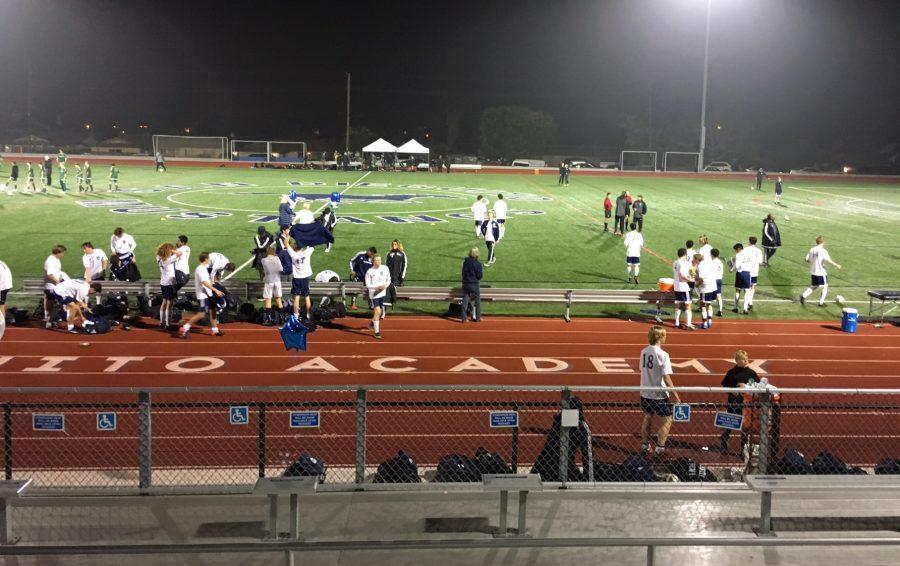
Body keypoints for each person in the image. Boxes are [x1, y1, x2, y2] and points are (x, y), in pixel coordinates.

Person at [639, 325, 681, 457]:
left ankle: (645, 445)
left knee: (647, 417)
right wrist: (675, 395)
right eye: (664, 335)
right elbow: (666, 377)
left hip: (645, 392)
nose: (666, 337)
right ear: (659, 337)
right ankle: (660, 447)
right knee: (668, 419)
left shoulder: (644, 351)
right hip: (659, 394)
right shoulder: (663, 355)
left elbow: (643, 369)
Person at [177, 252, 225, 338]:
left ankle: (215, 330)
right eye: (209, 258)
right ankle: (184, 328)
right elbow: (204, 282)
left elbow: (209, 281)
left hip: (208, 293)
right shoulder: (200, 269)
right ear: (206, 259)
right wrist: (216, 290)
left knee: (213, 310)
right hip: (203, 295)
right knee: (201, 314)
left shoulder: (204, 268)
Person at [719, 350, 756, 453]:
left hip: (746, 404)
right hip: (734, 402)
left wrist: (749, 388)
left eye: (747, 358)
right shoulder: (731, 373)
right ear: (737, 361)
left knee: (745, 427)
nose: (746, 360)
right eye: (744, 359)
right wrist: (733, 390)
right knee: (730, 423)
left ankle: (743, 448)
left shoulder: (751, 373)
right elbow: (725, 384)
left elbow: (756, 385)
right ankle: (724, 438)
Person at [800, 236, 841, 306]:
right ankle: (821, 302)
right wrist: (837, 265)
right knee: (825, 286)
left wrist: (815, 262)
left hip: (813, 272)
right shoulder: (823, 251)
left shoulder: (812, 249)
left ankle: (803, 296)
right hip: (821, 273)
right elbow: (829, 261)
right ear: (823, 242)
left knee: (814, 286)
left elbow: (806, 259)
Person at [156, 243, 183, 330]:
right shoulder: (169, 260)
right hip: (170, 283)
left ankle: (161, 322)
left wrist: (166, 250)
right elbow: (179, 253)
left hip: (163, 282)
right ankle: (168, 324)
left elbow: (160, 253)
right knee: (169, 304)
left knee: (164, 302)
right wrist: (172, 250)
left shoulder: (158, 258)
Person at [364, 254, 391, 339]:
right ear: (373, 261)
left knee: (378, 312)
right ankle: (377, 332)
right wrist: (376, 288)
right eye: (376, 260)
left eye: (379, 260)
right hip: (374, 293)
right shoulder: (369, 271)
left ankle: (372, 322)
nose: (378, 262)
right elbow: (367, 284)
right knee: (378, 311)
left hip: (383, 292)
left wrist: (384, 286)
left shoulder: (385, 268)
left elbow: (389, 279)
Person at [286, 241, 314, 320]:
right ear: (302, 247)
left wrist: (288, 235)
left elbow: (286, 244)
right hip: (305, 278)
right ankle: (309, 315)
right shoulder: (306, 253)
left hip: (297, 278)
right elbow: (312, 245)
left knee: (296, 297)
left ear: (295, 248)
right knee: (307, 297)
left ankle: (296, 316)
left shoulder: (293, 254)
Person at [43, 245, 67, 328]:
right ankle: (49, 321)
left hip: (56, 285)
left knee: (57, 303)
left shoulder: (56, 260)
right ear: (58, 252)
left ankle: (53, 320)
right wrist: (58, 282)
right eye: (62, 253)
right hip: (51, 286)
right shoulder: (50, 261)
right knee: (52, 304)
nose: (63, 255)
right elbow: (49, 274)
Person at [672, 248, 695, 330]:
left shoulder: (675, 262)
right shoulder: (682, 263)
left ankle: (677, 323)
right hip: (683, 286)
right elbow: (682, 275)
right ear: (685, 254)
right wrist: (690, 280)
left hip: (676, 286)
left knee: (678, 304)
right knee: (688, 305)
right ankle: (688, 324)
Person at [260, 246, 284, 321]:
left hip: (269, 281)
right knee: (278, 299)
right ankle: (282, 318)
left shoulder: (263, 260)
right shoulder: (277, 258)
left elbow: (265, 271)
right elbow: (281, 269)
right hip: (277, 280)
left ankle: (269, 319)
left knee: (268, 299)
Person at [384, 239, 407, 314]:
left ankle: (393, 302)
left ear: (398, 245)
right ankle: (385, 311)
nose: (394, 246)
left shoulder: (402, 254)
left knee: (393, 290)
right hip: (389, 277)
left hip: (398, 278)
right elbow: (386, 265)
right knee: (387, 291)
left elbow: (404, 265)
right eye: (393, 244)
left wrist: (402, 276)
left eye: (395, 244)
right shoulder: (389, 253)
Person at [461, 247, 483, 323]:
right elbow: (479, 276)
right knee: (477, 301)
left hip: (466, 283)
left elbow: (463, 273)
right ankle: (477, 318)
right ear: (477, 254)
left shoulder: (465, 262)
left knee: (465, 300)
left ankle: (464, 318)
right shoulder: (478, 263)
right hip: (474, 284)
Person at [697, 253, 718, 329]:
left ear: (697, 259)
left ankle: (705, 323)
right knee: (709, 304)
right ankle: (709, 321)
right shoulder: (709, 263)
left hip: (706, 288)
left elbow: (701, 279)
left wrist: (697, 284)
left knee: (702, 305)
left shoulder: (700, 266)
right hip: (713, 286)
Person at [730, 243, 752, 314]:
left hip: (740, 273)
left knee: (737, 290)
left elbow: (737, 266)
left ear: (739, 249)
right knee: (747, 291)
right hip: (747, 273)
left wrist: (732, 268)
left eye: (736, 250)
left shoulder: (738, 255)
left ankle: (735, 307)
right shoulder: (748, 253)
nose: (736, 251)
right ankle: (745, 309)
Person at [745, 236, 764, 311]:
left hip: (746, 271)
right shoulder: (759, 251)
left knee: (747, 288)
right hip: (755, 271)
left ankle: (748, 303)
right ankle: (750, 302)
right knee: (752, 287)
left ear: (749, 241)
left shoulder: (746, 249)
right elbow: (760, 262)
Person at [710, 248, 725, 317]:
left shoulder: (711, 262)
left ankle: (709, 312)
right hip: (719, 280)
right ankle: (720, 311)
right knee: (718, 295)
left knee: (710, 297)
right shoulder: (720, 262)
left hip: (713, 280)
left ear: (712, 254)